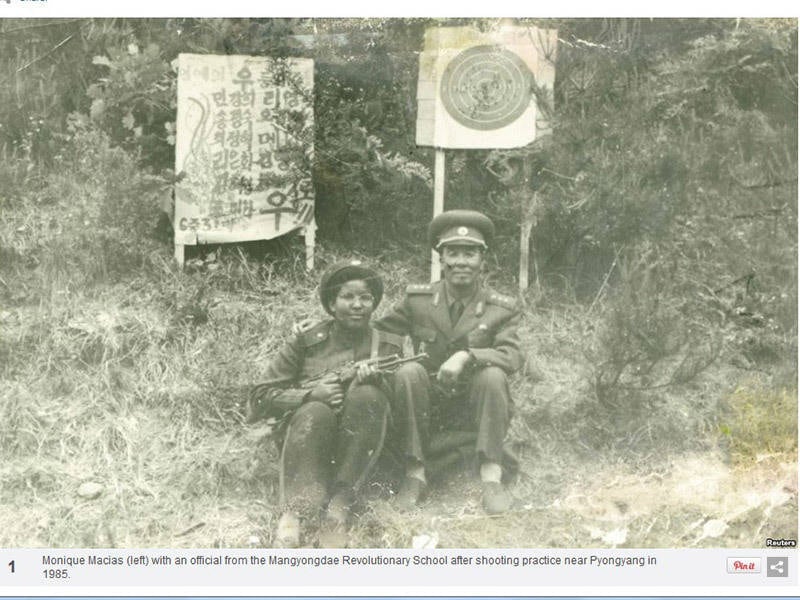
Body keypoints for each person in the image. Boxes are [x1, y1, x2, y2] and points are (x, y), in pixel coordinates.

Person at [246, 260, 403, 548]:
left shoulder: (389, 345)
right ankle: (295, 511)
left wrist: (377, 383)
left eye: (365, 298)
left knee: (368, 395)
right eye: (347, 297)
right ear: (331, 304)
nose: (357, 305)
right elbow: (259, 396)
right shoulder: (307, 341)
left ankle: (339, 508)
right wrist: (309, 395)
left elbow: (401, 404)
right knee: (317, 410)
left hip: (361, 447)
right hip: (309, 440)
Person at [375, 209, 523, 515]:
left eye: (469, 254)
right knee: (409, 371)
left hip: (474, 404)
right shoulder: (418, 300)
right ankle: (414, 474)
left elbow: (512, 355)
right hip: (427, 403)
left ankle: (491, 475)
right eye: (452, 253)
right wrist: (389, 365)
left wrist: (467, 355)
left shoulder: (501, 308)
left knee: (493, 376)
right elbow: (385, 328)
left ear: (483, 261)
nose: (460, 262)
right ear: (441, 259)